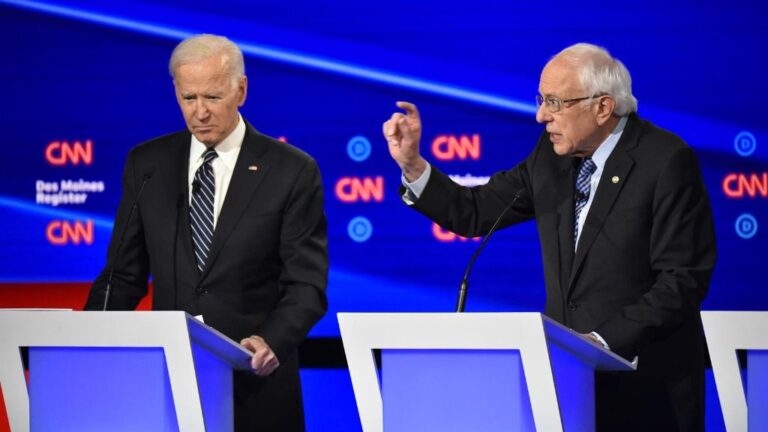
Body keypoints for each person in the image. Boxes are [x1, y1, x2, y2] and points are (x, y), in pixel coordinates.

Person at [383, 43, 716, 431]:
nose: (542, 116)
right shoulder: (551, 158)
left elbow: (682, 278)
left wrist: (601, 341)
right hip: (567, 391)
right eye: (542, 100)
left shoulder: (664, 161)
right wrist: (413, 165)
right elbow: (474, 211)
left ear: (603, 107)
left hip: (646, 391)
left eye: (556, 103)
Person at [85, 34, 328, 431]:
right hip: (170, 384)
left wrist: (272, 340)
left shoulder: (291, 170)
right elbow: (122, 275)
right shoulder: (147, 165)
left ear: (241, 90)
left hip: (255, 384)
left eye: (212, 98)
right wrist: (85, 344)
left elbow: (306, 285)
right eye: (188, 98)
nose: (199, 112)